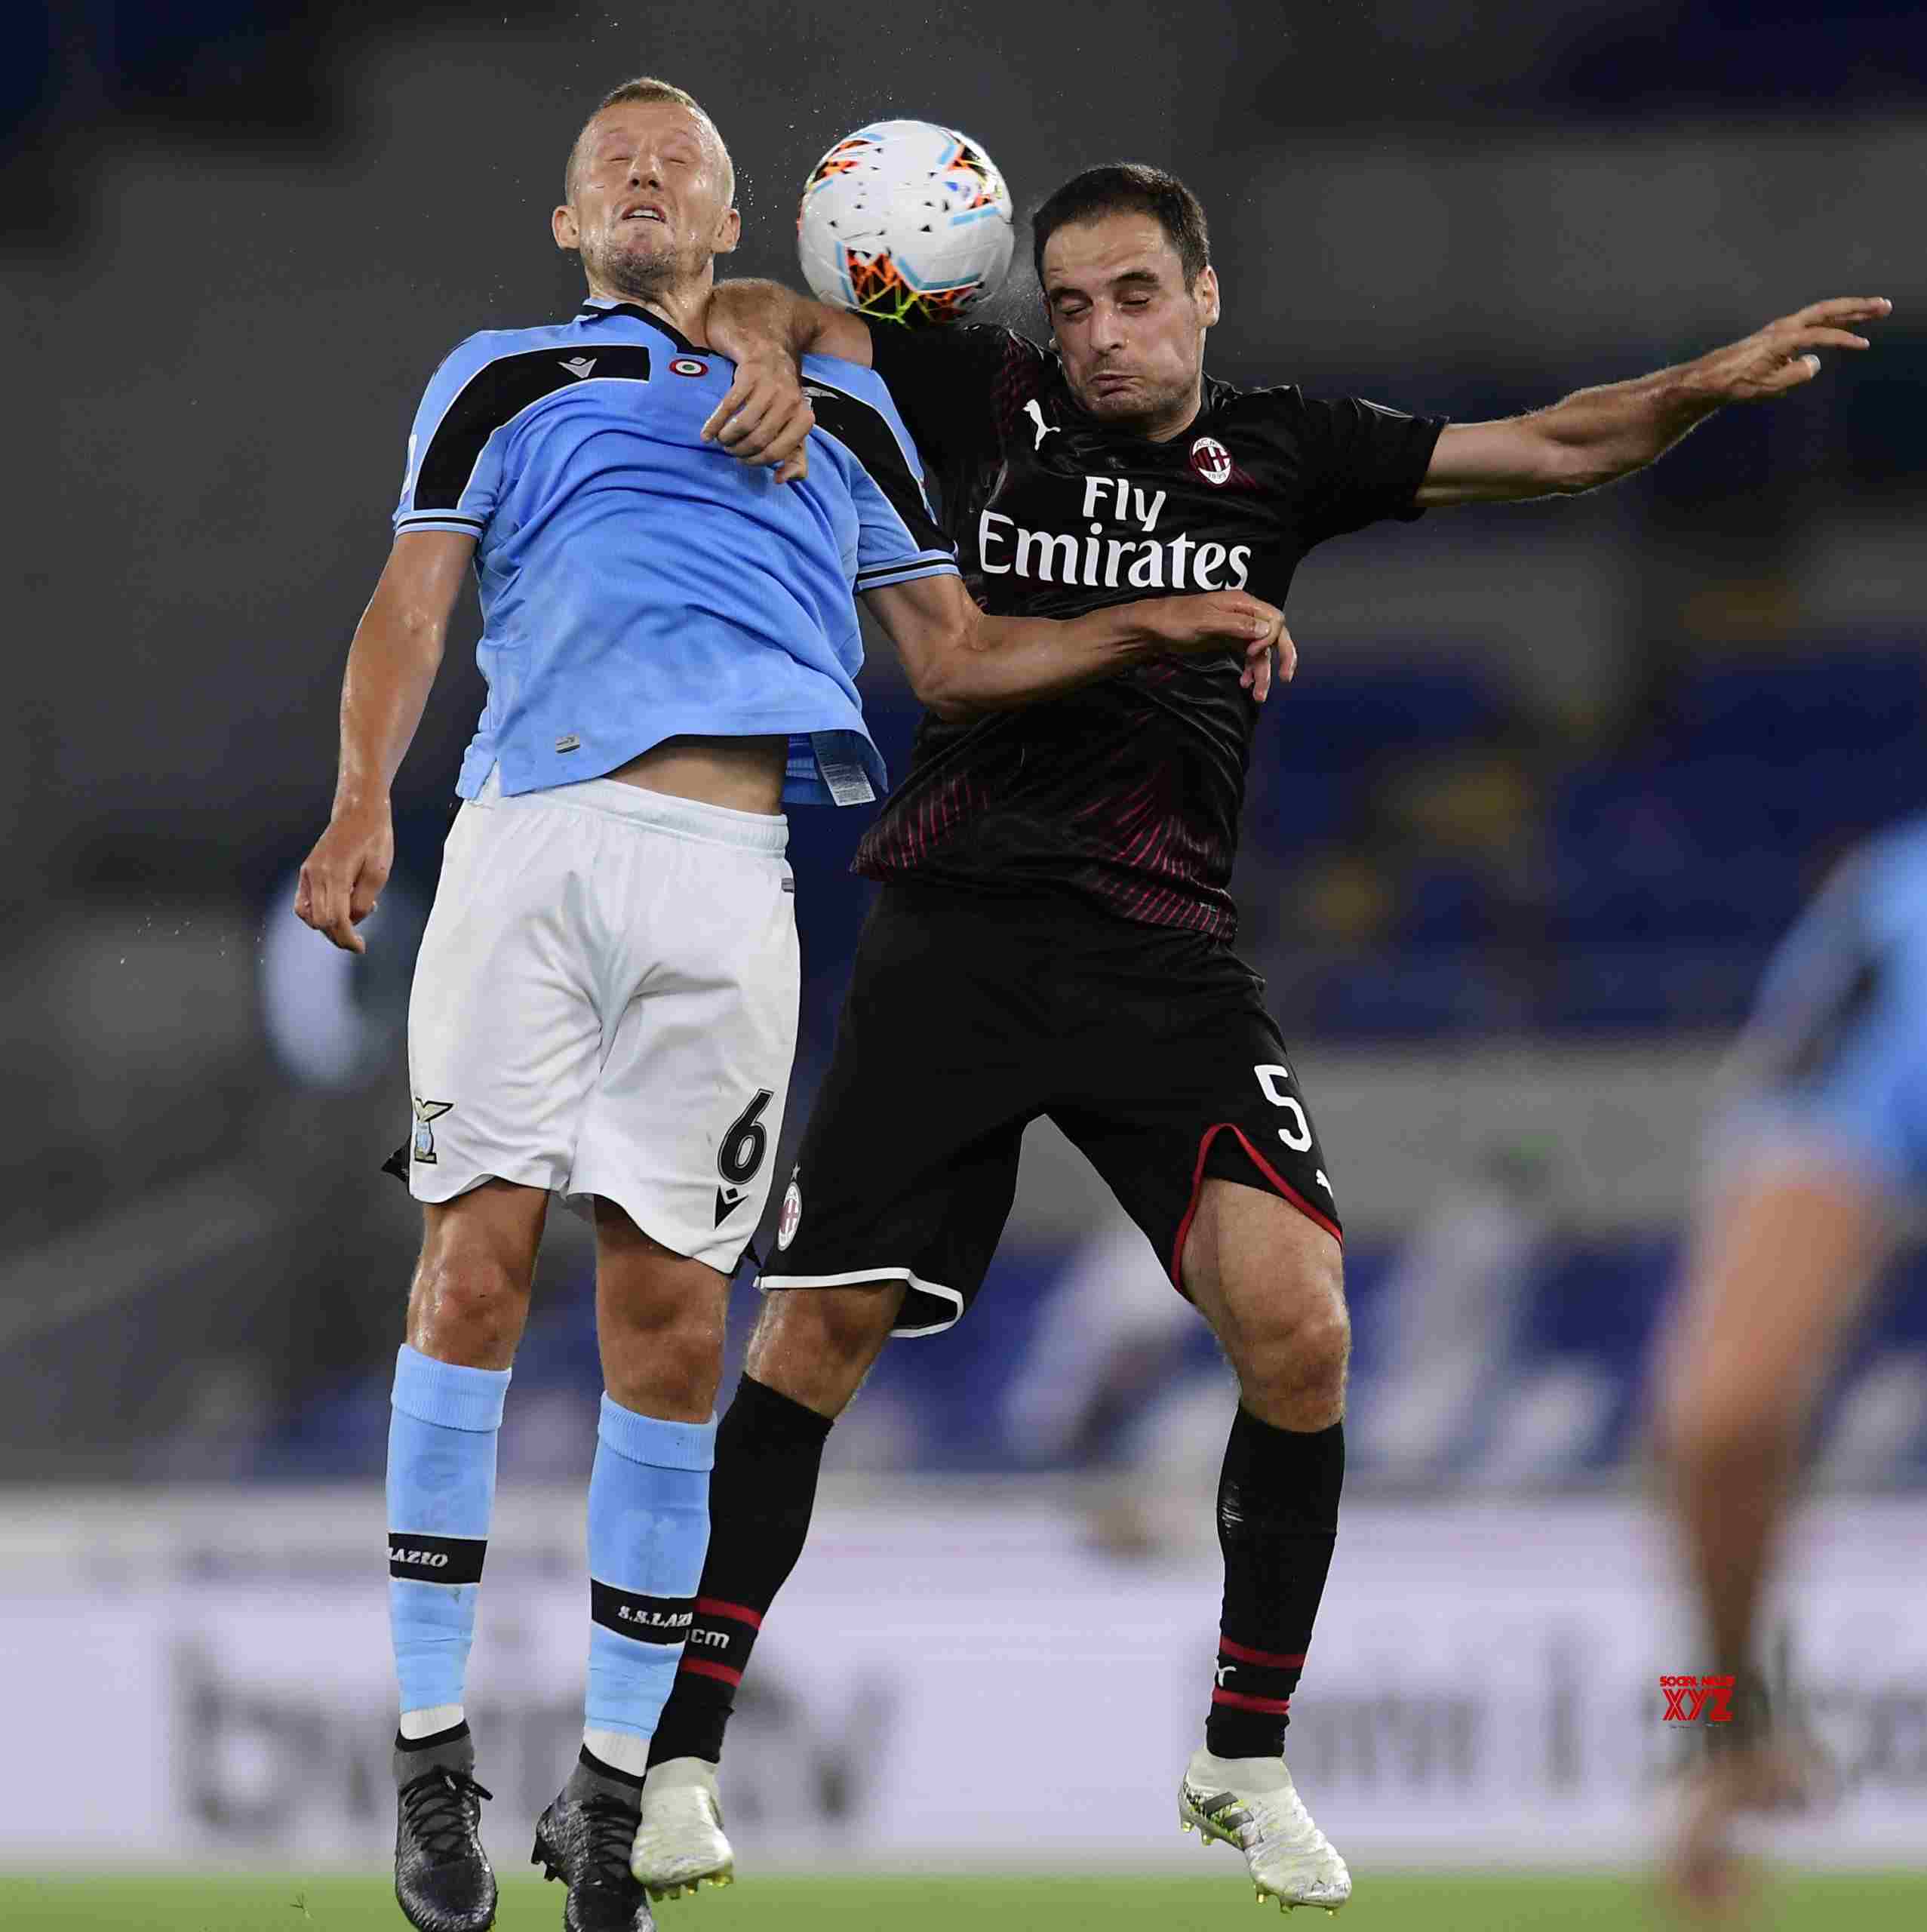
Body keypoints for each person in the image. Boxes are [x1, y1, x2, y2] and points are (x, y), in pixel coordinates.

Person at [622, 160, 1889, 1911]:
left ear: (1203, 293)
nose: (1096, 335)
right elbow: (774, 309)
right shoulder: (976, 396)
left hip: (1164, 958)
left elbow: (1553, 445)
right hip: (958, 932)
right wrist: (760, 341)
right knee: (815, 1340)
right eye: (1066, 305)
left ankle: (1239, 1758)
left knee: (1298, 1326)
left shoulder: (1288, 450)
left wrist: (1690, 384)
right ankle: (680, 1754)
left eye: (1132, 295)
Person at [295, 91, 1286, 1932]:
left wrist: (1155, 621)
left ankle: (606, 1792)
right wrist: (365, 796)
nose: (645, 178)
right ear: (567, 221)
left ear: (741, 217)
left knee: (672, 1321)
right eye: (611, 164)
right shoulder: (500, 380)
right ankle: (429, 1748)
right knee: (473, 1269)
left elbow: (958, 656)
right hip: (528, 842)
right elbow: (410, 609)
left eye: (678, 161)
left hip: (728, 879)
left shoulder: (840, 410)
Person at [1655, 817, 1927, 1915]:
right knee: (1721, 1422)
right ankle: (1711, 1726)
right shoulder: (1892, 895)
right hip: (1870, 1061)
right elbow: (1720, 1421)